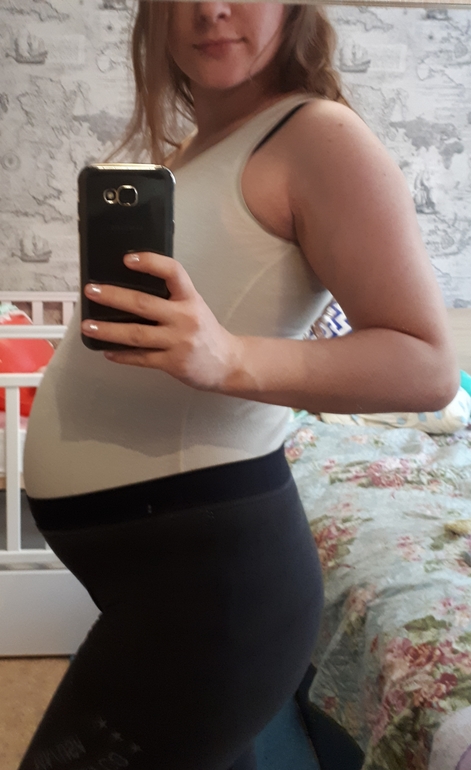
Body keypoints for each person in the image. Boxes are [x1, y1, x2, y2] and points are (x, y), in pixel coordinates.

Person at [20, 3, 458, 770]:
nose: (210, 8)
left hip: (212, 582)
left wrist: (228, 358)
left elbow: (425, 364)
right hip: (168, 572)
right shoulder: (201, 145)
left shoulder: (318, 136)